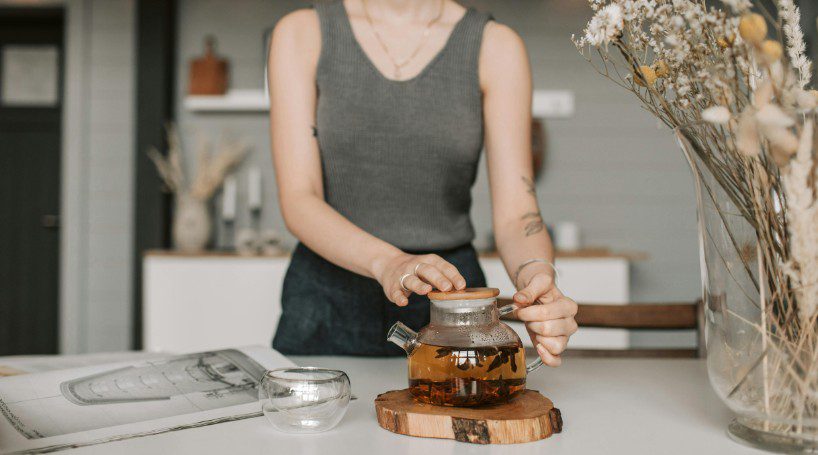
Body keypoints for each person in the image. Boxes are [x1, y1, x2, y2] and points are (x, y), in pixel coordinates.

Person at [267, 0, 577, 365]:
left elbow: (517, 215)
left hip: (451, 301)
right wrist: (389, 263)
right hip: (324, 301)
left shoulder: (497, 47)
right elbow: (300, 198)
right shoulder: (302, 33)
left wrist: (538, 281)